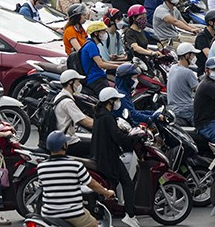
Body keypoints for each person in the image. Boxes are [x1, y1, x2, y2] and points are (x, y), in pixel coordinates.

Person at [90, 86, 145, 227]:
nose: (117, 102)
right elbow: (118, 138)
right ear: (110, 101)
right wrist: (134, 139)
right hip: (110, 158)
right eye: (115, 100)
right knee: (126, 182)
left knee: (113, 184)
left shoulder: (99, 115)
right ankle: (130, 214)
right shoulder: (108, 117)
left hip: (100, 155)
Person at [37, 130, 115, 227]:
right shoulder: (75, 165)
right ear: (64, 146)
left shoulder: (41, 167)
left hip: (48, 214)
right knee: (94, 223)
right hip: (72, 213)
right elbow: (92, 184)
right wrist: (107, 193)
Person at [53, 70, 95, 154]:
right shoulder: (67, 102)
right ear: (70, 83)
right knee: (99, 147)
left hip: (63, 138)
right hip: (68, 143)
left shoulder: (60, 96)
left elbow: (81, 116)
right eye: (78, 82)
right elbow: (85, 122)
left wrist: (97, 121)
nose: (79, 85)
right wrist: (102, 125)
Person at [167, 42, 200, 124]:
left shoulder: (173, 67)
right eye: (193, 55)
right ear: (187, 56)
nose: (194, 57)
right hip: (185, 110)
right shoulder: (188, 73)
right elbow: (200, 91)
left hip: (172, 108)